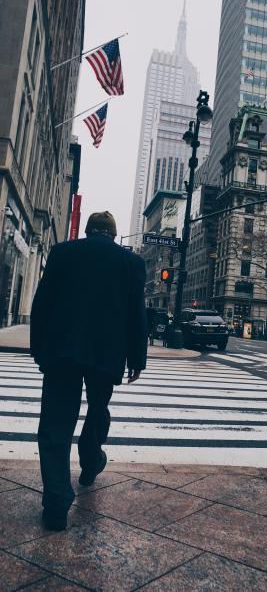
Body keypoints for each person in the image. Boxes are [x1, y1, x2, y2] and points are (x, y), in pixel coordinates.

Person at [31, 211, 147, 532]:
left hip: (62, 351)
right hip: (106, 354)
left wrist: (39, 348)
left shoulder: (63, 252)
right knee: (98, 410)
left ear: (86, 231)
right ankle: (92, 460)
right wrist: (137, 357)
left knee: (55, 424)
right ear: (112, 234)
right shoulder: (131, 263)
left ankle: (56, 501)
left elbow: (42, 303)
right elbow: (137, 314)